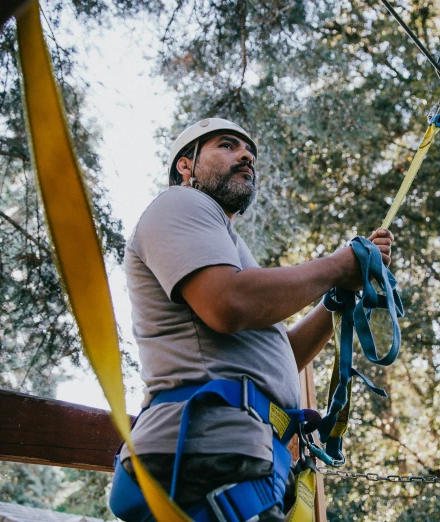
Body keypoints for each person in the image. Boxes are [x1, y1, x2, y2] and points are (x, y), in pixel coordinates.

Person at [115, 118, 393, 521]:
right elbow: (227, 303)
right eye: (227, 145)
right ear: (185, 166)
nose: (246, 155)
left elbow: (281, 358)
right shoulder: (180, 203)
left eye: (250, 153)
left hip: (238, 458)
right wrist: (336, 266)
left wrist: (336, 298)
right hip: (203, 453)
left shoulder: (229, 249)